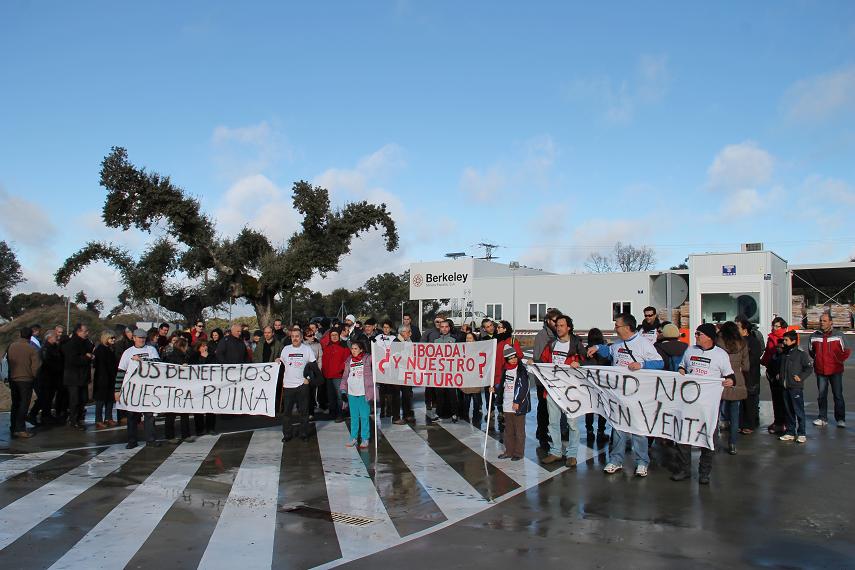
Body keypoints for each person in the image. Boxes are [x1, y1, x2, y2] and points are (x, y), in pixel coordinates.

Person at [588, 313, 664, 477]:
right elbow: (609, 352)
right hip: (618, 394)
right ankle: (616, 460)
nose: (615, 328)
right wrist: (597, 348)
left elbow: (660, 362)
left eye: (617, 326)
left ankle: (642, 462)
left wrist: (642, 364)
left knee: (638, 429)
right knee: (618, 427)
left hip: (638, 395)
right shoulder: (618, 344)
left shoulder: (644, 344)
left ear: (627, 327)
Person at [672, 323, 736, 484]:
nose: (696, 336)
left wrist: (730, 381)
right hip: (687, 403)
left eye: (698, 333)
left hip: (708, 406)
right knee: (683, 437)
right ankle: (684, 469)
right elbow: (682, 366)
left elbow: (730, 375)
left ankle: (704, 472)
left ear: (708, 336)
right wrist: (681, 371)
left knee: (708, 439)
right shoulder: (690, 350)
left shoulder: (720, 354)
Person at [539, 315, 586, 468]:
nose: (558, 328)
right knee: (553, 422)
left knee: (572, 423)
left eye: (562, 325)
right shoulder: (551, 344)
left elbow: (587, 362)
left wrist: (579, 362)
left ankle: (572, 454)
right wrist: (535, 364)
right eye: (557, 325)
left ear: (569, 328)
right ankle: (556, 451)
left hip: (571, 392)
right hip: (553, 390)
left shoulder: (576, 344)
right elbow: (543, 362)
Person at [116, 329, 161, 449]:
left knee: (149, 415)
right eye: (139, 338)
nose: (141, 340)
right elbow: (121, 371)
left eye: (143, 338)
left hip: (148, 388)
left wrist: (142, 360)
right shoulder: (127, 352)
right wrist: (117, 390)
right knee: (131, 415)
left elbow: (157, 363)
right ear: (134, 338)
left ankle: (150, 439)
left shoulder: (151, 350)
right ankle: (132, 440)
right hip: (132, 389)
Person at [809, 312, 850, 428]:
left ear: (831, 322)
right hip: (821, 371)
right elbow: (811, 352)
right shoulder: (814, 336)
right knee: (821, 395)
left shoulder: (839, 335)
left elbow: (846, 350)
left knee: (837, 395)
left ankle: (841, 419)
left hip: (835, 370)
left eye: (825, 320)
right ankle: (822, 418)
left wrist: (838, 360)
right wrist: (818, 361)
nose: (822, 322)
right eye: (821, 320)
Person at [277, 328, 317, 442]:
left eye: (297, 336)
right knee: (287, 413)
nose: (295, 338)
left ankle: (303, 433)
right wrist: (277, 361)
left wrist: (308, 378)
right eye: (293, 336)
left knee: (304, 412)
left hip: (302, 385)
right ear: (291, 337)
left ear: (301, 337)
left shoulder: (307, 349)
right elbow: (282, 363)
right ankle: (287, 434)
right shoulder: (285, 349)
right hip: (288, 386)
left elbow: (313, 366)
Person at [493, 344, 531, 461]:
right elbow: (502, 385)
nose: (513, 359)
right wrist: (495, 389)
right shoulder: (505, 370)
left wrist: (517, 401)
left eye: (515, 357)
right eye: (510, 358)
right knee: (508, 430)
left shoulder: (521, 370)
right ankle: (509, 451)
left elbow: (523, 387)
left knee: (519, 430)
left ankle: (518, 453)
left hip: (518, 404)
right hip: (506, 403)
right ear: (506, 359)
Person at [716, 322, 749, 454]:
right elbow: (746, 366)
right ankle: (733, 444)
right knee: (735, 415)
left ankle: (712, 443)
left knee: (715, 413)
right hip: (737, 379)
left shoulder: (718, 342)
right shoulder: (743, 343)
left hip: (721, 379)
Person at [531, 308, 561, 450]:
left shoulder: (559, 335)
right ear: (548, 321)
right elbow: (537, 358)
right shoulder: (542, 336)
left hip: (557, 379)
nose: (557, 324)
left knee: (554, 409)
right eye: (554, 321)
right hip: (543, 379)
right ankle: (542, 434)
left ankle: (549, 432)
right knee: (543, 407)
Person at [779, 330, 813, 443]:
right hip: (785, 387)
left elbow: (808, 368)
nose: (784, 342)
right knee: (788, 410)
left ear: (793, 341)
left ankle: (802, 433)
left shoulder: (800, 353)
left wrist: (800, 377)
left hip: (795, 387)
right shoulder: (784, 353)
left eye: (786, 340)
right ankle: (790, 431)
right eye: (784, 340)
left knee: (798, 410)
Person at [340, 339, 375, 448]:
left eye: (356, 349)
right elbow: (345, 376)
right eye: (352, 349)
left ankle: (365, 438)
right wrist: (343, 389)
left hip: (364, 392)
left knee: (364, 416)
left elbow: (379, 360)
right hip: (351, 392)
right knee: (354, 417)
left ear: (361, 350)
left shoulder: (367, 359)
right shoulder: (349, 360)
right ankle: (353, 437)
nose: (353, 351)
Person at [7, 327, 41, 438]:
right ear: (30, 336)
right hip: (26, 379)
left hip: (13, 378)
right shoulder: (32, 349)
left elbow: (8, 361)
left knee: (15, 403)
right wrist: (33, 376)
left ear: (20, 334)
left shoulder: (11, 346)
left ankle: (13, 426)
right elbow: (36, 367)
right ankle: (20, 428)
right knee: (24, 404)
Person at [62, 323, 94, 431]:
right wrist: (86, 357)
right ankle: (73, 420)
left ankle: (79, 417)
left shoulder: (86, 342)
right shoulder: (71, 344)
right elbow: (72, 360)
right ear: (78, 331)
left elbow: (91, 348)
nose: (87, 333)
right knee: (74, 400)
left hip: (83, 376)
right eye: (85, 331)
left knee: (83, 399)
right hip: (73, 376)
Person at [761, 317, 788, 434]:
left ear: (782, 327)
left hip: (781, 371)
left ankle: (785, 423)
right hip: (771, 369)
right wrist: (764, 363)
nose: (774, 328)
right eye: (773, 326)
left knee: (784, 399)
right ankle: (778, 421)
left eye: (777, 326)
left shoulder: (785, 338)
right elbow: (768, 352)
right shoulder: (771, 337)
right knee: (775, 398)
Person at [735, 316, 763, 434]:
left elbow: (754, 359)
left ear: (744, 329)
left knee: (750, 401)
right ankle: (741, 423)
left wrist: (743, 366)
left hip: (750, 376)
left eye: (738, 327)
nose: (735, 329)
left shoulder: (753, 341)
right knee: (740, 401)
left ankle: (750, 424)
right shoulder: (737, 341)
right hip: (739, 376)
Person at [30, 330, 63, 425]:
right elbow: (47, 363)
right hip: (46, 377)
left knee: (49, 397)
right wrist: (57, 368)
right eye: (55, 336)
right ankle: (34, 414)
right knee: (44, 397)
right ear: (49, 338)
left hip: (53, 377)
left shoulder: (54, 348)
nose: (57, 337)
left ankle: (46, 415)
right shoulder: (45, 349)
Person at [163, 337, 193, 443]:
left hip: (180, 387)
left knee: (182, 412)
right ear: (182, 346)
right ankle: (172, 436)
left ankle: (179, 435)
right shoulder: (173, 357)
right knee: (172, 413)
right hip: (175, 388)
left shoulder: (183, 356)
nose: (187, 347)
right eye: (186, 346)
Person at [430, 319, 460, 423]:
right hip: (439, 372)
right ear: (439, 328)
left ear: (449, 328)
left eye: (446, 327)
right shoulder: (435, 341)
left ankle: (455, 413)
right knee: (439, 394)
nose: (444, 328)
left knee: (452, 394)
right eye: (442, 327)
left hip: (451, 372)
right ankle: (439, 413)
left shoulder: (455, 340)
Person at [583, 327, 609, 443]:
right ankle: (601, 431)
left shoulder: (585, 351)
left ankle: (589, 431)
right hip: (603, 384)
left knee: (590, 409)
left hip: (589, 384)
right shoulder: (604, 351)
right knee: (602, 409)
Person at [322, 329, 350, 423]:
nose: (334, 336)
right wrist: (325, 372)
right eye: (332, 335)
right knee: (331, 396)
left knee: (340, 396)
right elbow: (324, 361)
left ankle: (340, 414)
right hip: (328, 375)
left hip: (339, 375)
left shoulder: (344, 347)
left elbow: (347, 361)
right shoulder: (327, 347)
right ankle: (333, 413)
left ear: (339, 336)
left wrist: (340, 370)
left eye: (336, 335)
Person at [92, 331, 118, 429]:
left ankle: (108, 417)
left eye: (114, 338)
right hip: (102, 378)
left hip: (110, 377)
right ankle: (98, 420)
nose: (113, 340)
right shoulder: (100, 349)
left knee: (110, 399)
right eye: (111, 338)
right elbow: (99, 365)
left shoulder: (110, 349)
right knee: (100, 400)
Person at [391, 325, 415, 424]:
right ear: (402, 332)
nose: (410, 333)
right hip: (397, 373)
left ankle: (407, 414)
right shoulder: (396, 342)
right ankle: (396, 418)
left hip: (407, 373)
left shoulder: (409, 341)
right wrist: (406, 363)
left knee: (407, 395)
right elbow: (395, 358)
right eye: (408, 332)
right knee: (396, 396)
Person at [460, 331, 484, 425]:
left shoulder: (478, 350)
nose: (468, 340)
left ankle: (476, 416)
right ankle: (466, 415)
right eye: (467, 338)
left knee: (476, 399)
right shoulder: (462, 349)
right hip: (466, 378)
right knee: (466, 399)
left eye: (470, 338)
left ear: (474, 339)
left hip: (475, 377)